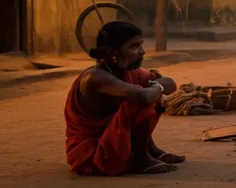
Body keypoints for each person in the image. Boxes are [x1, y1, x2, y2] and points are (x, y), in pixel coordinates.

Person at [64, 21, 184, 176]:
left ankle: (151, 151)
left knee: (149, 92)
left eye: (140, 45)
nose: (142, 52)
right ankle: (142, 160)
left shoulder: (126, 71)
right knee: (139, 100)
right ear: (112, 52)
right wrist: (155, 88)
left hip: (114, 144)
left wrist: (155, 86)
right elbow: (142, 96)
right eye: (134, 47)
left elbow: (170, 84)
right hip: (92, 155)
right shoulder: (94, 77)